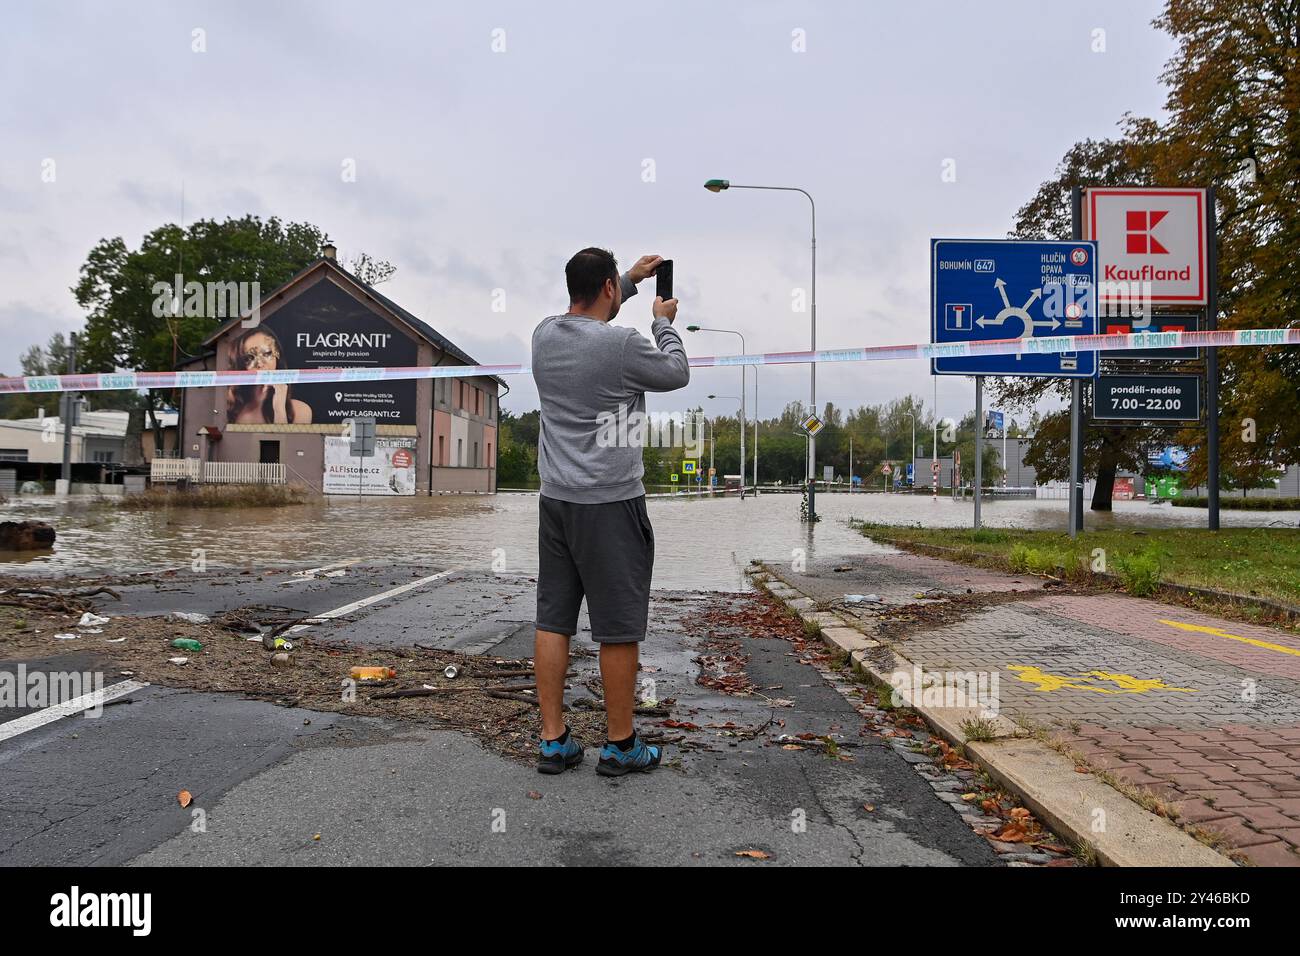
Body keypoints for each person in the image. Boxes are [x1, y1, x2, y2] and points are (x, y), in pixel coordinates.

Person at [531, 248, 688, 776]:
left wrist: (631, 280)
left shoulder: (544, 335)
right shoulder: (623, 344)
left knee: (553, 619)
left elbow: (591, 314)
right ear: (606, 289)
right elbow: (676, 373)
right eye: (615, 285)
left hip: (556, 501)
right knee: (617, 627)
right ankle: (620, 744)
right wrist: (663, 324)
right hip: (611, 502)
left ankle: (554, 740)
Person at [226, 327, 313, 424]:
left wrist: (279, 409)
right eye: (249, 358)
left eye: (267, 353)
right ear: (239, 363)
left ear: (277, 355)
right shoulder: (229, 410)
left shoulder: (300, 411)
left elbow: (284, 439)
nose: (260, 364)